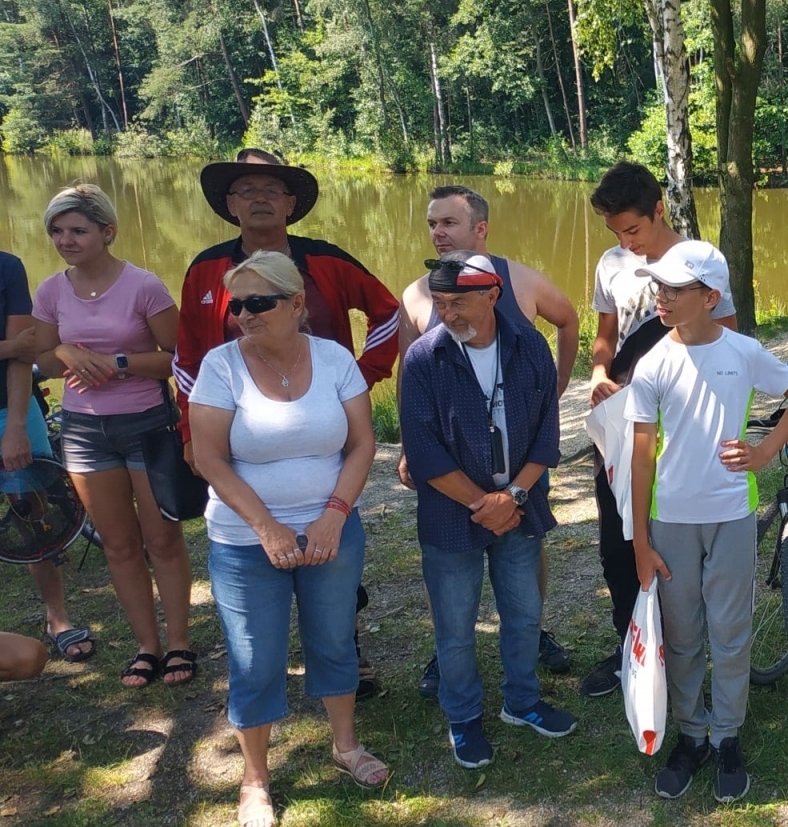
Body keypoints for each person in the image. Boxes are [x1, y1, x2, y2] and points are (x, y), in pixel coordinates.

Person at [174, 148, 399, 698]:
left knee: (332, 540)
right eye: (246, 190)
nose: (259, 199)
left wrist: (362, 375)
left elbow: (388, 312)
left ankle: (345, 649)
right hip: (234, 426)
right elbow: (187, 354)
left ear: (291, 202)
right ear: (229, 203)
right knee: (253, 545)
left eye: (271, 189)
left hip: (323, 425)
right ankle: (262, 665)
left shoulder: (327, 261)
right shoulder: (206, 269)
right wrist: (190, 430)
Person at [189, 251, 388, 827]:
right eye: (237, 306)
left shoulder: (334, 359)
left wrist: (334, 515)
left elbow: (362, 444)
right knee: (255, 657)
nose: (244, 315)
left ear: (297, 303)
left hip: (332, 530)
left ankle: (346, 746)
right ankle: (255, 777)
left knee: (335, 639)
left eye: (259, 302)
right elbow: (208, 458)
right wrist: (267, 527)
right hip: (245, 541)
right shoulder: (220, 366)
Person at [627, 240, 788, 801]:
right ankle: (692, 734)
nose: (661, 297)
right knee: (683, 634)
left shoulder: (744, 352)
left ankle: (727, 734)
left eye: (674, 289)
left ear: (710, 297)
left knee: (730, 632)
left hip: (731, 514)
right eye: (658, 287)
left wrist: (765, 452)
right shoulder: (652, 363)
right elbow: (641, 455)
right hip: (671, 521)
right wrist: (640, 540)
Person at [397, 184, 580, 689]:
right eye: (432, 223)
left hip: (518, 460)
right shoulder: (416, 293)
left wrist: (557, 387)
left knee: (525, 540)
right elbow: (407, 369)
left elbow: (568, 320)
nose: (437, 232)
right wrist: (412, 446)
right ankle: (448, 651)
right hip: (451, 462)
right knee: (448, 560)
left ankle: (531, 633)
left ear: (480, 228)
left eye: (448, 222)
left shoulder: (520, 279)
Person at [580, 162, 738, 699]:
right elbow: (605, 334)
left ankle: (684, 651)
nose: (627, 243)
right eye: (616, 233)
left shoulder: (698, 261)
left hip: (678, 426)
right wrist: (599, 373)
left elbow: (726, 340)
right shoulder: (611, 263)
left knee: (671, 539)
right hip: (618, 423)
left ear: (658, 210)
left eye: (633, 229)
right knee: (617, 540)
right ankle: (633, 645)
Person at [30, 184, 194, 687]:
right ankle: (147, 647)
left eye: (78, 230)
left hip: (147, 424)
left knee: (162, 540)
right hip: (84, 431)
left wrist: (118, 363)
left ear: (107, 232)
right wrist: (62, 353)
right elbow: (41, 358)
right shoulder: (51, 291)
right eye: (57, 231)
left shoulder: (144, 285)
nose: (66, 240)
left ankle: (180, 644)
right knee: (120, 547)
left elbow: (179, 357)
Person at [0, 249, 89, 663]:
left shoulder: (7, 266)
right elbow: (16, 345)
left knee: (33, 510)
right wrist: (9, 345)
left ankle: (58, 618)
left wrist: (17, 426)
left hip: (11, 407)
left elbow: (26, 352)